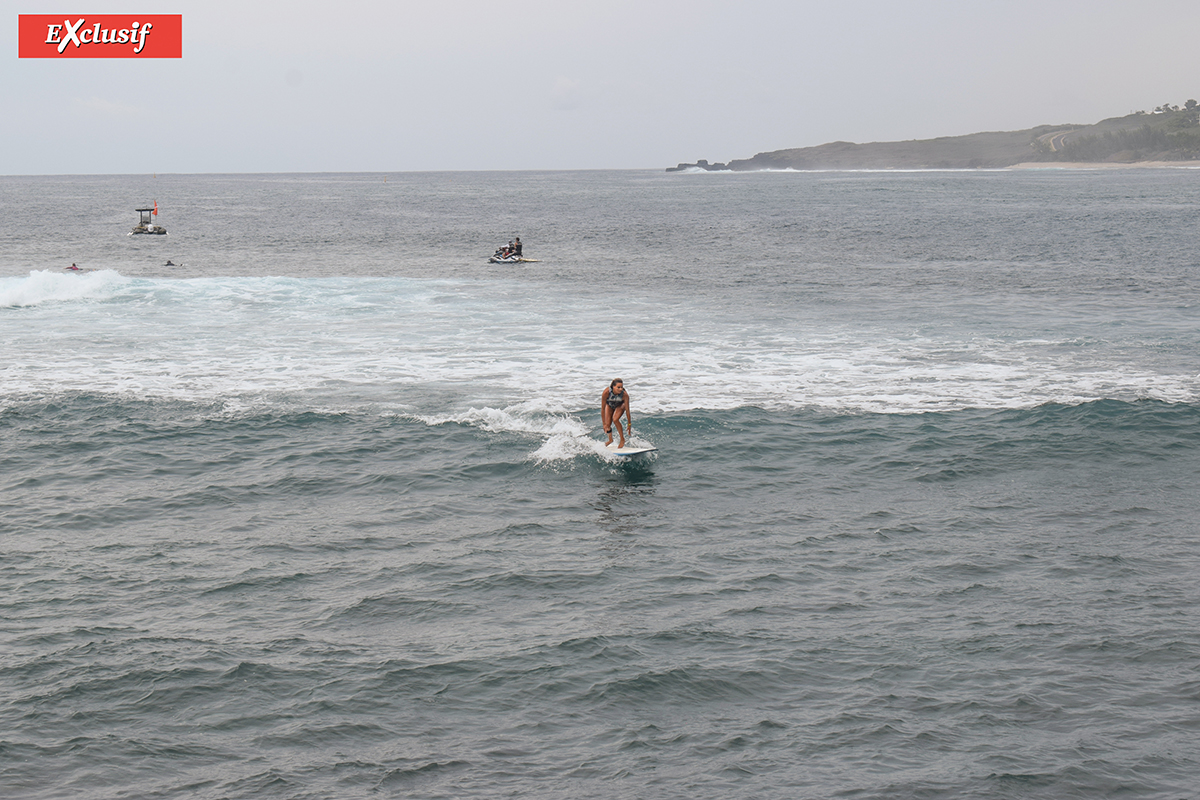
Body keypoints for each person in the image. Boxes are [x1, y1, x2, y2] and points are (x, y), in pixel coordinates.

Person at [601, 378, 631, 447]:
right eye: (618, 387)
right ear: (613, 387)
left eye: (621, 387)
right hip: (610, 405)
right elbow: (602, 409)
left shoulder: (625, 395)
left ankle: (622, 439)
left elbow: (627, 411)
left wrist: (629, 424)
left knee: (615, 419)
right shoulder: (606, 392)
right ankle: (610, 440)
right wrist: (604, 424)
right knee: (608, 425)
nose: (621, 389)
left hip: (620, 405)